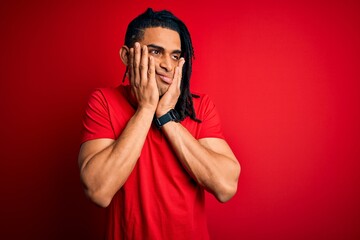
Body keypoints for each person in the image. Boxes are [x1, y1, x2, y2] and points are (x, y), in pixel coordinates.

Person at [78, 8, 240, 240]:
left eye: (175, 56)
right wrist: (146, 108)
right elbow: (98, 191)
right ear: (126, 56)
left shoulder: (200, 107)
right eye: (156, 51)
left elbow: (225, 187)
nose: (168, 65)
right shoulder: (103, 102)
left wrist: (165, 116)